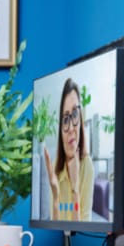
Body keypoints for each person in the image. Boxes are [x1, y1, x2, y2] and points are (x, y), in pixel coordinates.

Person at [43, 77, 94, 221]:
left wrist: (75, 188)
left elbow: (82, 228)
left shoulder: (87, 165)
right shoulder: (55, 166)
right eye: (65, 119)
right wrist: (55, 196)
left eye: (75, 114)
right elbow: (55, 225)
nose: (71, 127)